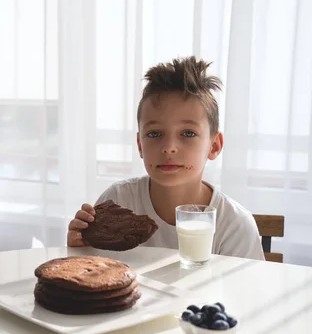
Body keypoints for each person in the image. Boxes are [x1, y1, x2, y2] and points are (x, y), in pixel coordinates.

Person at [67, 56, 264, 260]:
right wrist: (79, 251)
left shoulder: (233, 224)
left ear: (214, 146)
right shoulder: (119, 199)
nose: (169, 148)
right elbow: (91, 275)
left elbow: (245, 290)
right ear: (140, 145)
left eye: (188, 133)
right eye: (154, 134)